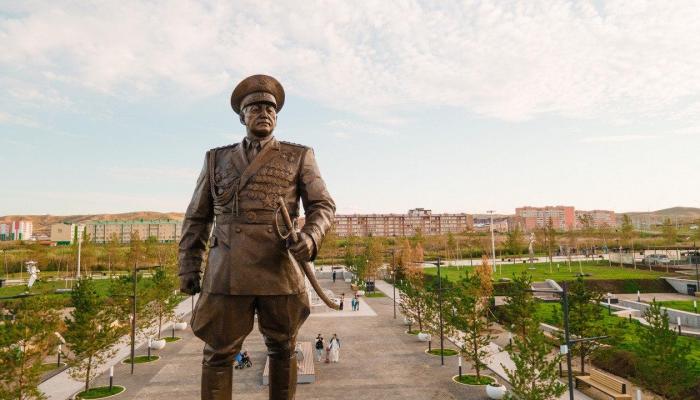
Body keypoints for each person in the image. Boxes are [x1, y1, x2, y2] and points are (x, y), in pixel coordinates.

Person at [179, 74, 336, 400]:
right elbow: (197, 217)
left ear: (277, 116)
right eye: (255, 107)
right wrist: (189, 267)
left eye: (270, 108)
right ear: (242, 116)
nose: (264, 112)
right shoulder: (215, 159)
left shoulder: (298, 155)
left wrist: (310, 237)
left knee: (283, 348)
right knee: (218, 352)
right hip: (227, 271)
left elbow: (322, 205)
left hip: (278, 267)